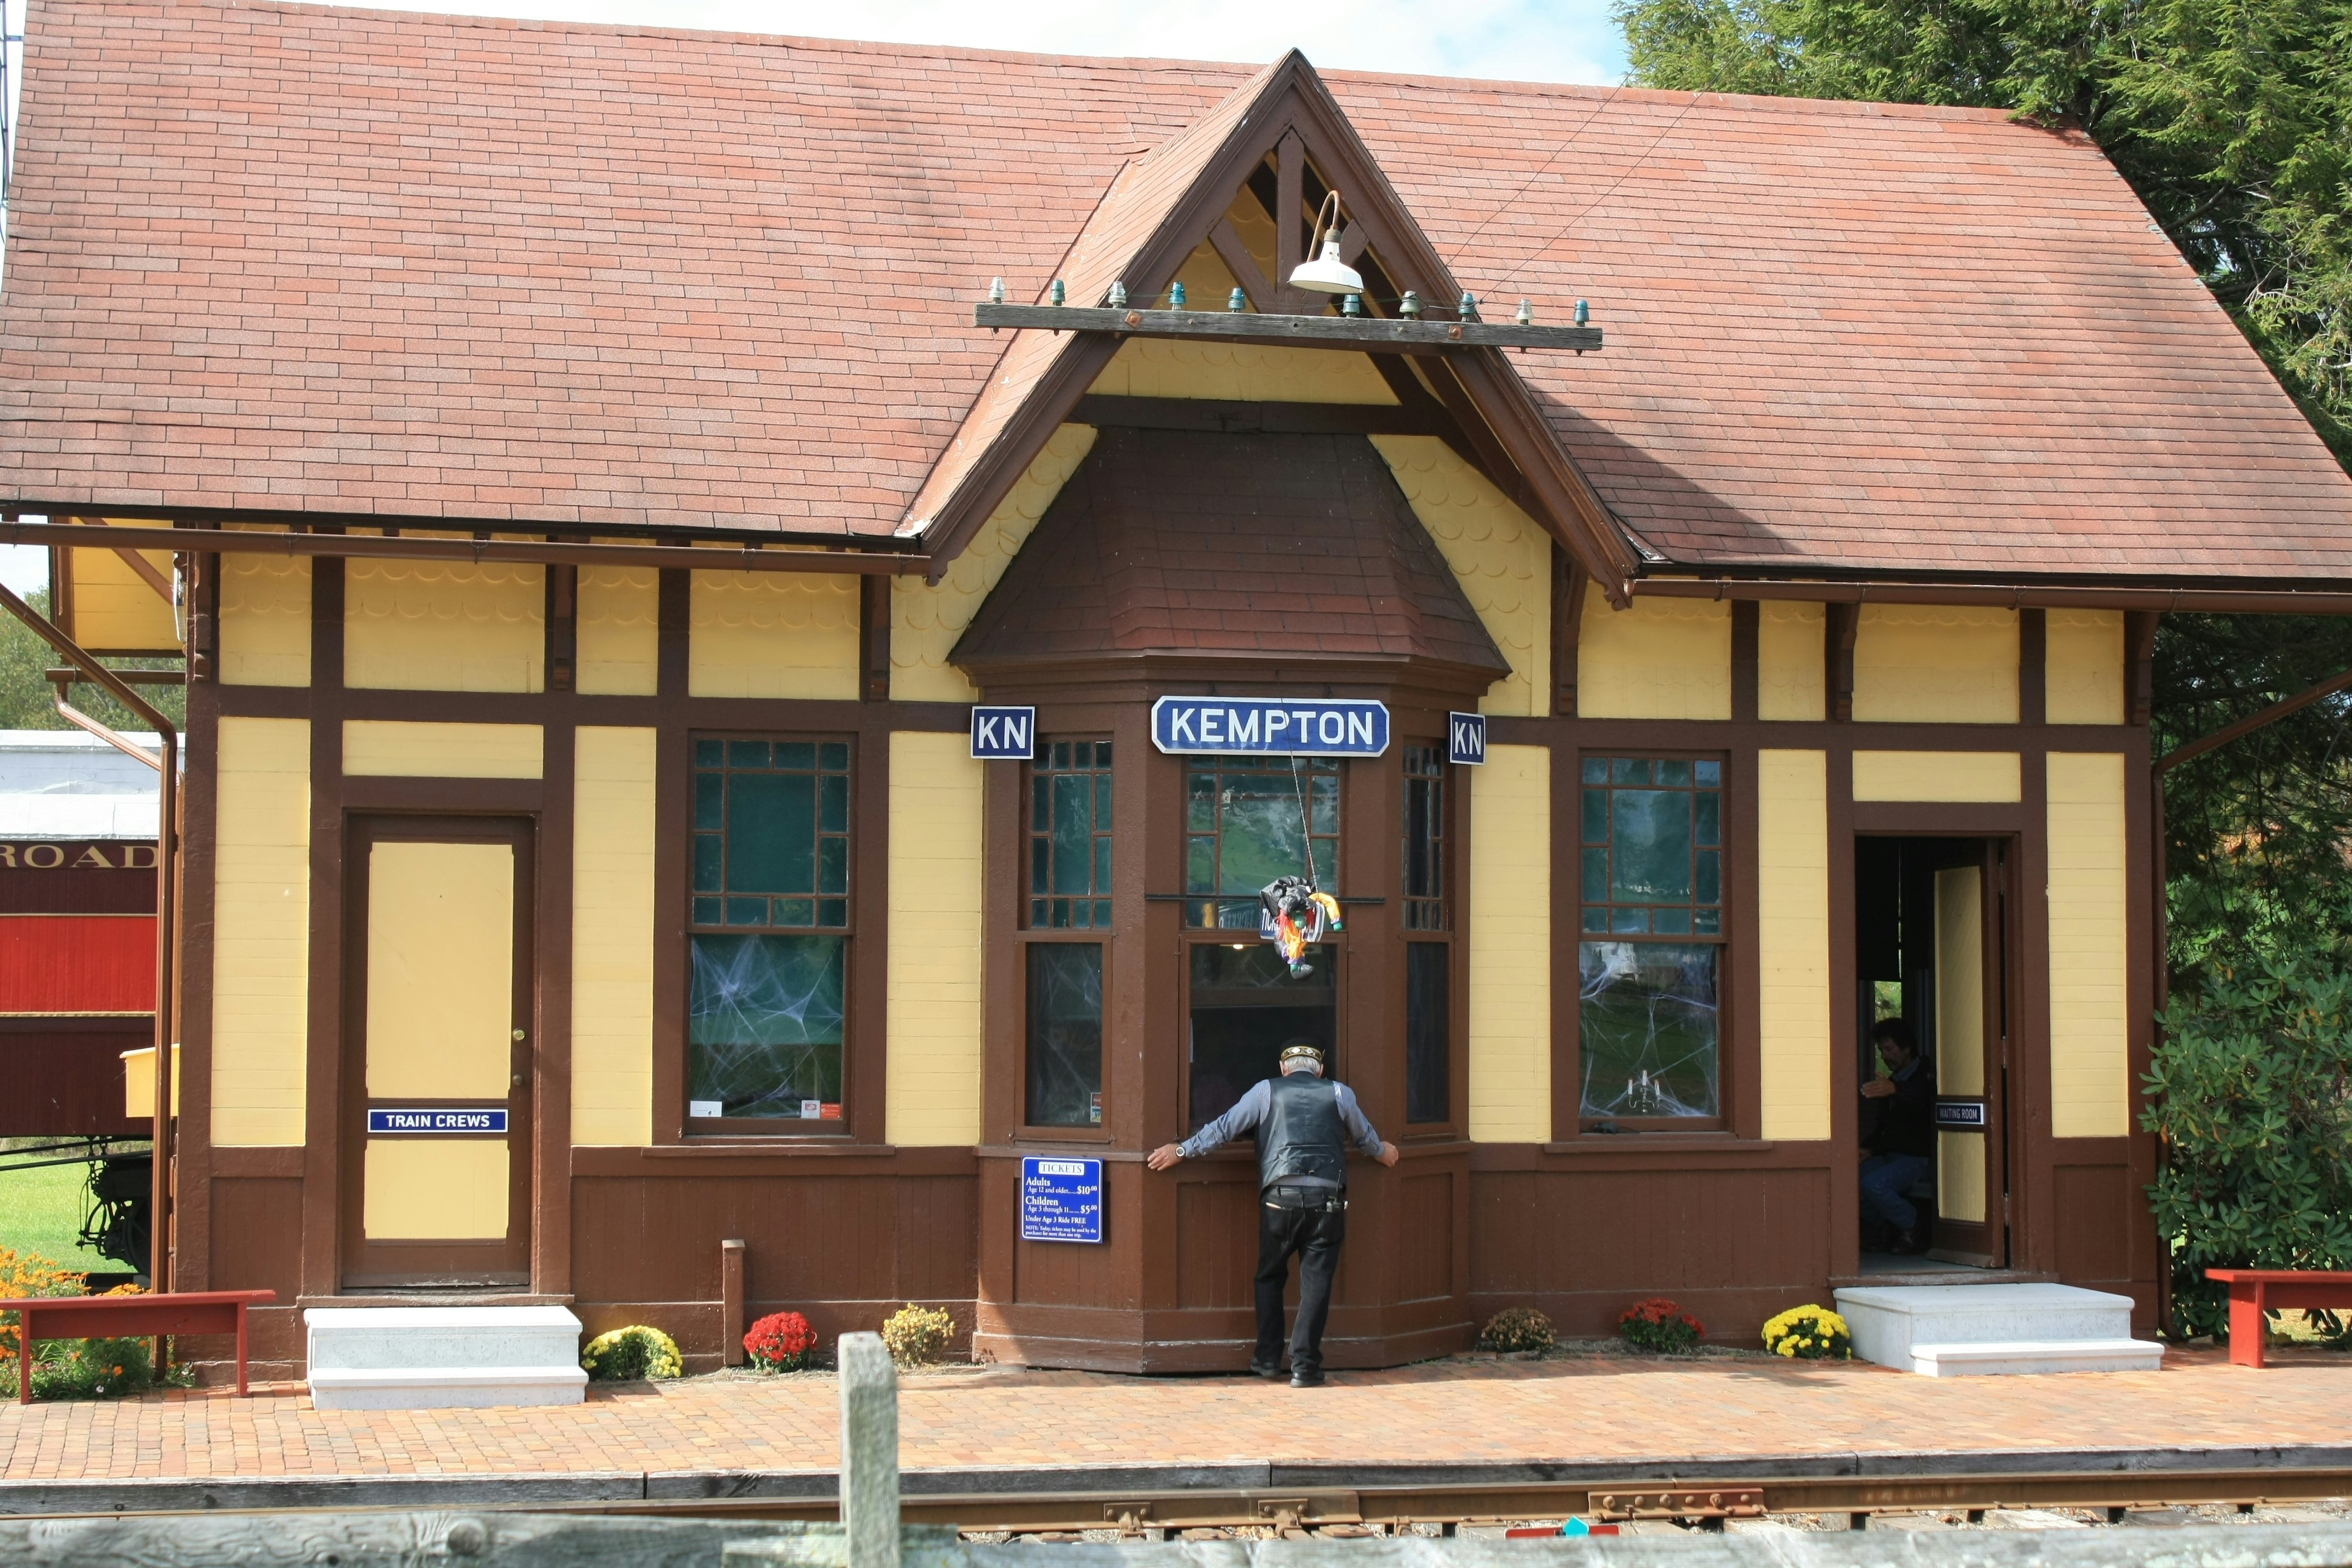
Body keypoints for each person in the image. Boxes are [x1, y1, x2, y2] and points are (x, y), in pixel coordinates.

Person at [1147, 1040, 1397, 1386]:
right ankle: (1305, 1367)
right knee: (1317, 1284)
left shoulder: (1265, 1091)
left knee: (1269, 1276)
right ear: (1320, 1070)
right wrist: (1383, 1151)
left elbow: (1223, 1128)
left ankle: (1267, 1358)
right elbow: (1365, 1139)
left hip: (1279, 1199)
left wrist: (1181, 1150)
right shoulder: (1340, 1093)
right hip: (1327, 1198)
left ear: (1283, 1069)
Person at [1859, 1016, 1936, 1252]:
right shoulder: (1890, 1084)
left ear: (1907, 1048)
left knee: (1874, 1185)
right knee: (1848, 1180)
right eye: (1881, 1050)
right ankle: (1887, 1227)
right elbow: (1884, 1128)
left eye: (1890, 1049)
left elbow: (1925, 1100)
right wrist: (1867, 1149)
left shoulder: (1929, 1074)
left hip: (1919, 1159)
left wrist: (1896, 1091)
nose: (1885, 1056)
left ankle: (1913, 1228)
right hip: (1889, 1156)